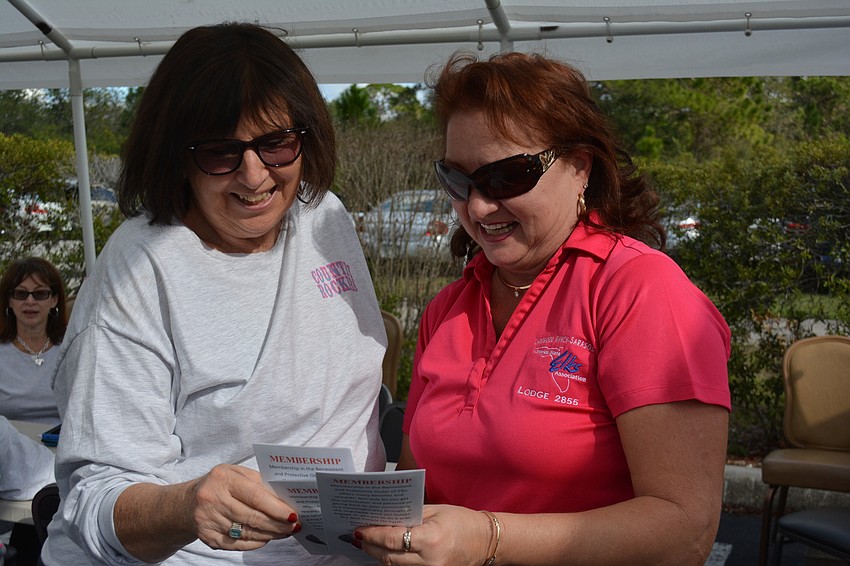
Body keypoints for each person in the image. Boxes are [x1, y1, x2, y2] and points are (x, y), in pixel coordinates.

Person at [355, 52, 731, 565]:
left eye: (507, 177)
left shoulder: (638, 290)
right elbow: (416, 491)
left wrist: (488, 540)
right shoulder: (449, 308)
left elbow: (685, 529)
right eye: (458, 180)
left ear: (580, 167)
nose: (480, 206)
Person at [42, 22, 387, 566]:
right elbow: (92, 497)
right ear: (176, 155)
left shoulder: (325, 216)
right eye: (221, 153)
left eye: (277, 144)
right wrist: (186, 505)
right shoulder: (140, 271)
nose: (254, 176)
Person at [0, 257, 66, 425]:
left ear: (54, 300)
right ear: (9, 301)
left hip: (63, 448)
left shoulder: (71, 349)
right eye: (21, 294)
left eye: (40, 293)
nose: (30, 301)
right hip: (10, 449)